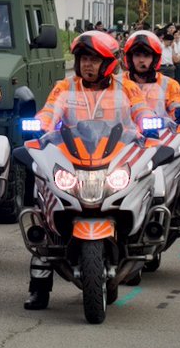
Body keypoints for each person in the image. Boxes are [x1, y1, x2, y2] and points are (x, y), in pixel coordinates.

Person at [23, 31, 155, 310]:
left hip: (112, 160)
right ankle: (39, 288)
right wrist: (40, 125)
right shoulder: (64, 88)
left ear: (108, 62)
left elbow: (141, 112)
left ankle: (141, 241)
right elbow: (50, 113)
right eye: (84, 58)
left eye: (94, 59)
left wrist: (150, 123)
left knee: (148, 182)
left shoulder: (126, 88)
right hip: (73, 158)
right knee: (42, 207)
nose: (87, 65)